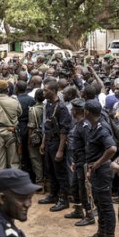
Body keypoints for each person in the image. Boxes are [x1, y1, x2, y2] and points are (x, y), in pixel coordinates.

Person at [84, 100, 117, 237]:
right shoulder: (95, 125)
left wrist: (97, 164)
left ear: (87, 112)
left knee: (106, 206)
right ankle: (101, 233)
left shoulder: (101, 127)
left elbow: (111, 148)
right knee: (99, 202)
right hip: (96, 170)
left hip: (102, 171)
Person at [38, 80, 72, 212]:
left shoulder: (61, 108)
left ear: (53, 91)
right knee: (50, 170)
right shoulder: (48, 105)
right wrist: (43, 142)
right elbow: (47, 125)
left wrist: (60, 150)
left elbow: (64, 130)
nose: (43, 92)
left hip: (58, 143)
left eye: (46, 90)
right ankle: (53, 195)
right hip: (49, 142)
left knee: (60, 172)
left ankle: (64, 200)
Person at [65, 98, 95, 226]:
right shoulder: (78, 124)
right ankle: (78, 210)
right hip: (77, 160)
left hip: (84, 162)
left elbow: (88, 146)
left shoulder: (85, 126)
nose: (71, 111)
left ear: (77, 111)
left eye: (73, 109)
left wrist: (86, 165)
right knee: (75, 186)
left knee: (84, 190)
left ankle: (89, 215)